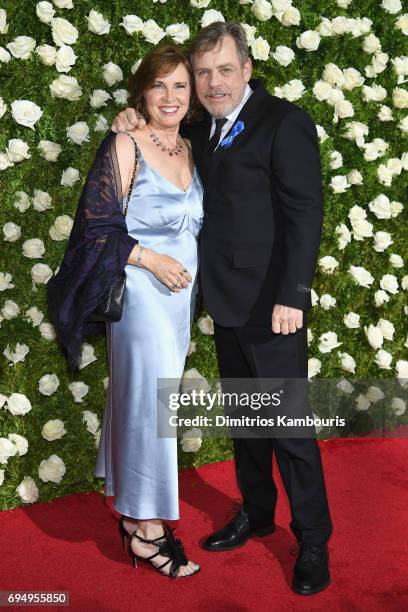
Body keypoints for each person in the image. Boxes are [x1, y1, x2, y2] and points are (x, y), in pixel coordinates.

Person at [112, 21, 333, 595]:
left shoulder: (283, 122)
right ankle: (257, 513)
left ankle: (312, 537)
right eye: (203, 73)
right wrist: (128, 119)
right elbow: (153, 133)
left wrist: (294, 295)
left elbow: (306, 212)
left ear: (248, 71)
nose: (212, 83)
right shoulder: (202, 130)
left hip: (274, 307)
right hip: (226, 303)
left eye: (224, 70)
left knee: (287, 426)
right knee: (247, 424)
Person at [47, 44, 203, 579]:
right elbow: (95, 227)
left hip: (179, 301)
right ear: (141, 91)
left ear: (192, 95)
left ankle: (134, 511)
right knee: (150, 407)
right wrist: (152, 259)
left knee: (143, 401)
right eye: (159, 85)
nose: (169, 96)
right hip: (141, 293)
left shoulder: (190, 147)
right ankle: (147, 528)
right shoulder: (124, 142)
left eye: (179, 86)